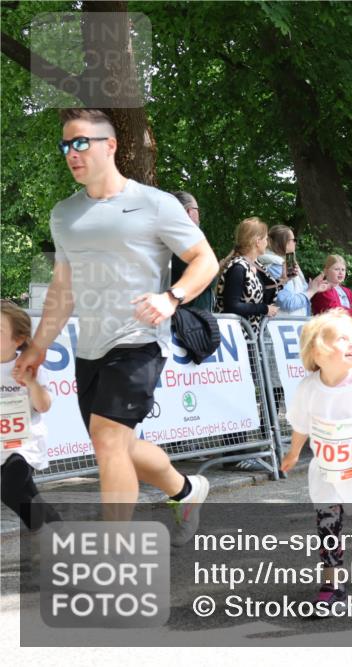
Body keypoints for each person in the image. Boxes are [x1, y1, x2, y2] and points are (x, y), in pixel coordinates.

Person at [15, 109, 217, 541]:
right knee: (117, 446)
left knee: (108, 441)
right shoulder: (64, 214)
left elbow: (206, 261)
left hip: (140, 342)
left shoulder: (155, 203)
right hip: (90, 348)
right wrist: (36, 346)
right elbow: (63, 289)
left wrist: (171, 297)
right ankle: (185, 489)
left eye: (81, 143)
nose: (72, 153)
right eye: (66, 146)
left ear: (111, 145)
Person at [279, 310, 352, 605]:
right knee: (327, 524)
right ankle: (333, 585)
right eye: (343, 338)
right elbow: (301, 425)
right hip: (326, 471)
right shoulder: (308, 388)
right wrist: (294, 453)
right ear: (318, 351)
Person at [1, 301, 60, 531]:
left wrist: (31, 382)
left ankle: (42, 532)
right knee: (29, 495)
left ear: (18, 339)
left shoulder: (28, 365)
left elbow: (44, 406)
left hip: (24, 444)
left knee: (9, 490)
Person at [216, 217, 280, 336]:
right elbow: (232, 306)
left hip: (249, 336)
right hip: (236, 337)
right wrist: (264, 309)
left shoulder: (255, 265)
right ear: (257, 241)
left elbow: (265, 293)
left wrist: (285, 279)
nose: (267, 243)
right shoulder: (238, 268)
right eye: (266, 239)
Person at [259, 225, 328, 317]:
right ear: (284, 243)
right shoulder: (276, 267)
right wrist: (311, 291)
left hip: (291, 326)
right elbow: (288, 303)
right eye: (293, 240)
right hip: (282, 326)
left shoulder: (288, 263)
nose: (295, 243)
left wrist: (313, 288)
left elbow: (298, 295)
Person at [170, 191, 216, 312]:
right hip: (190, 319)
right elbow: (209, 277)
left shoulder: (171, 237)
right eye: (197, 209)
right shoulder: (185, 240)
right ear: (190, 211)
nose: (198, 214)